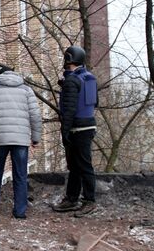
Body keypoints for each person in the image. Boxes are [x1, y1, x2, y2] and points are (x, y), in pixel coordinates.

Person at [0, 66, 42, 219]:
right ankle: (20, 211)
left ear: (0, 76)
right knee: (20, 174)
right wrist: (35, 138)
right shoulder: (26, 90)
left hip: (0, 138)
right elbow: (36, 115)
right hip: (20, 139)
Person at [52, 46, 98, 217]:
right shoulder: (89, 77)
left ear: (68, 59)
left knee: (80, 166)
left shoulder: (72, 81)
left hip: (77, 128)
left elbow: (69, 110)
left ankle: (88, 200)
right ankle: (72, 198)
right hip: (89, 125)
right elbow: (95, 103)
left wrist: (64, 132)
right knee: (79, 166)